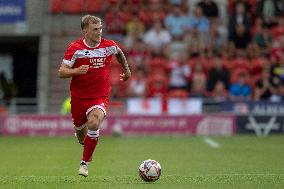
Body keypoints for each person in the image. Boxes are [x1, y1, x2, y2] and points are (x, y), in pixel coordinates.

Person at [58, 15, 131, 177]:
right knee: (81, 135)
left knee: (94, 122)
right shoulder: (75, 48)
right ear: (85, 30)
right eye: (95, 29)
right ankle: (82, 136)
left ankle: (84, 163)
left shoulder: (108, 45)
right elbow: (61, 72)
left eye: (100, 29)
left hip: (100, 95)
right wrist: (76, 71)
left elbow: (119, 53)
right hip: (78, 98)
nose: (99, 32)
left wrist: (126, 70)